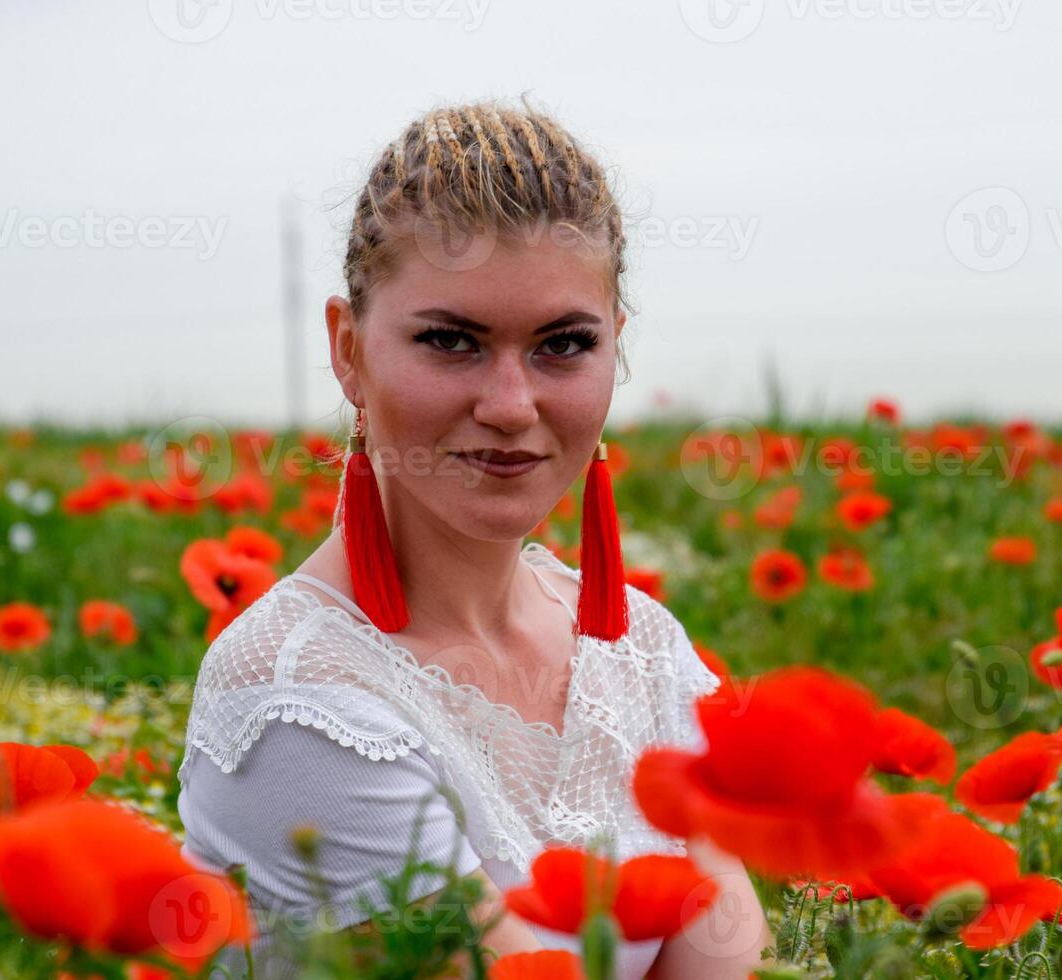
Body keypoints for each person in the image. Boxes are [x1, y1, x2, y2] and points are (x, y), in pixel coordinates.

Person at [176, 97, 771, 978]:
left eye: (563, 344)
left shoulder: (644, 653)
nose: (509, 406)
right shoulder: (297, 702)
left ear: (617, 347)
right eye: (451, 341)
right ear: (348, 351)